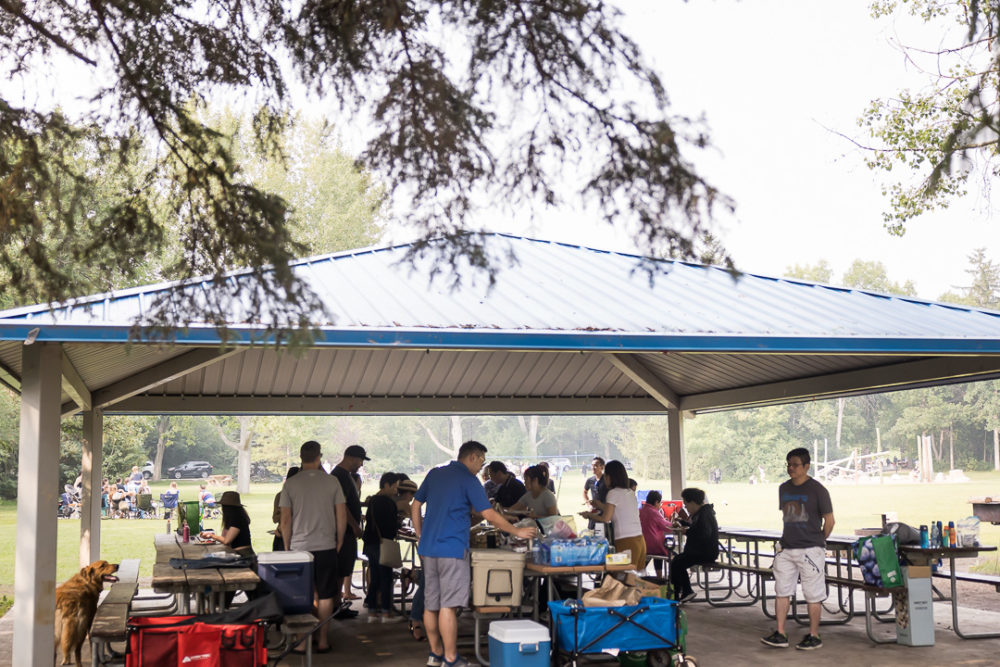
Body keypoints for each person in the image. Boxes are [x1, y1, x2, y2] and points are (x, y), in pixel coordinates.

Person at [412, 440, 537, 667]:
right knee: (448, 606)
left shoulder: (435, 474)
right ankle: (451, 659)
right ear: (472, 457)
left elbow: (415, 504)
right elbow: (488, 514)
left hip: (428, 549)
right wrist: (516, 530)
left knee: (431, 605)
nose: (482, 466)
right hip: (452, 550)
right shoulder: (468, 480)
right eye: (481, 461)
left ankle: (435, 654)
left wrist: (420, 535)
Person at [761, 447, 835, 652]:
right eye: (788, 464)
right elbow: (787, 516)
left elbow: (829, 521)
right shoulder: (783, 488)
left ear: (806, 466)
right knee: (781, 591)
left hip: (811, 549)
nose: (790, 468)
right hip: (786, 548)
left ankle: (813, 635)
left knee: (813, 593)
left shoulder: (818, 490)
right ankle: (780, 632)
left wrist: (819, 540)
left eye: (795, 465)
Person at [280, 440, 347, 654]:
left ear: (301, 458)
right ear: (319, 457)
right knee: (327, 595)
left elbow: (285, 520)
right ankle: (323, 640)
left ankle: (301, 641)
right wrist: (339, 540)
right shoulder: (332, 482)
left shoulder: (290, 484)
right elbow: (341, 514)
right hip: (326, 545)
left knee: (302, 594)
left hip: (299, 547)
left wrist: (287, 545)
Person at [579, 460, 645, 567]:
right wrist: (600, 505)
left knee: (626, 578)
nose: (604, 479)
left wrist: (589, 515)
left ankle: (659, 585)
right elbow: (617, 509)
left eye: (606, 476)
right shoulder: (629, 492)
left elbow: (606, 518)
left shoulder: (613, 493)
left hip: (626, 541)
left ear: (610, 477)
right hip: (640, 540)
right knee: (637, 578)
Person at [330, 445, 369, 613]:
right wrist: (354, 526)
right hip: (343, 530)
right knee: (340, 569)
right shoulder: (338, 476)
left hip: (346, 528)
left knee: (344, 567)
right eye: (360, 460)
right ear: (351, 457)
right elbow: (342, 505)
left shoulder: (345, 475)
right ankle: (335, 605)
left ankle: (337, 603)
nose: (361, 464)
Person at [363, 472, 405, 623]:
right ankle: (387, 612)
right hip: (383, 544)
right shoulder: (388, 503)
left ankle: (372, 611)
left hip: (370, 543)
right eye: (395, 487)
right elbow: (391, 527)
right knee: (386, 578)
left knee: (375, 577)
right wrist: (399, 522)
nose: (396, 491)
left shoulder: (373, 500)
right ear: (386, 485)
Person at [668, 488, 719, 602]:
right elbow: (697, 528)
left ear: (692, 502)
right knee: (677, 561)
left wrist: (687, 532)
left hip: (705, 552)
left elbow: (704, 533)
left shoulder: (704, 514)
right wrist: (683, 522)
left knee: (678, 562)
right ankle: (681, 592)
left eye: (686, 504)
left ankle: (684, 591)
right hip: (701, 551)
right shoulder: (703, 513)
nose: (686, 507)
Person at [639, 490, 673, 577]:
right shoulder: (654, 512)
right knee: (667, 553)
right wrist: (674, 524)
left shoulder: (640, 510)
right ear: (656, 502)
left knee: (646, 560)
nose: (660, 505)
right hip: (654, 546)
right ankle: (660, 577)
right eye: (660, 503)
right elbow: (666, 526)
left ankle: (642, 575)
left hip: (643, 545)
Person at [272, 466, 299, 551]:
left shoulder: (303, 495)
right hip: (282, 533)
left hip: (298, 534)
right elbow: (275, 518)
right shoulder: (280, 495)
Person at [583, 457, 607, 529]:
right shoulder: (590, 480)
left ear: (602, 467)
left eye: (596, 465)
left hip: (605, 511)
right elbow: (584, 492)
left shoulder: (607, 480)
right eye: (592, 465)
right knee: (591, 531)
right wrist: (588, 504)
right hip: (594, 511)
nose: (593, 467)